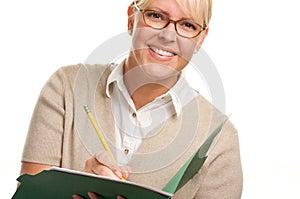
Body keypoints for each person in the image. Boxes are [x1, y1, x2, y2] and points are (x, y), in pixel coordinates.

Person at [18, 0, 243, 198]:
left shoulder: (221, 140)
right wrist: (69, 190)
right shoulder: (66, 87)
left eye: (187, 25)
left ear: (200, 39)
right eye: (156, 16)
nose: (168, 35)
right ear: (131, 18)